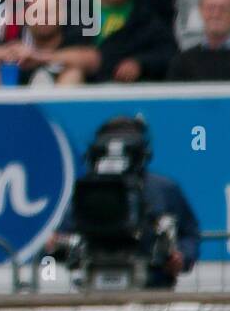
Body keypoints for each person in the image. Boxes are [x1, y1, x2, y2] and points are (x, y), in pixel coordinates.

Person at [48, 115, 199, 290]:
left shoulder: (163, 189)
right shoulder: (88, 190)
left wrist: (181, 257)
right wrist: (55, 243)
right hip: (94, 285)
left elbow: (190, 233)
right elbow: (61, 238)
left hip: (152, 284)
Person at [0, 0, 100, 85]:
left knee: (74, 71)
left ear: (62, 14)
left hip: (57, 108)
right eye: (36, 13)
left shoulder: (73, 34)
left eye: (48, 13)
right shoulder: (19, 36)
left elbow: (93, 60)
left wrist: (36, 56)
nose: (42, 19)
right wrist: (6, 53)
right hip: (17, 103)